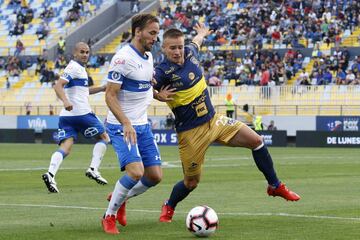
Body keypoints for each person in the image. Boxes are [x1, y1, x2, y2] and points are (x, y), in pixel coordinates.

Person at [153, 25, 301, 223]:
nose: (178, 51)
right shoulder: (161, 72)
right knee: (191, 182)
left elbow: (196, 42)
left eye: (180, 46)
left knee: (256, 141)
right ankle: (169, 205)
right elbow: (141, 87)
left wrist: (202, 33)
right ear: (163, 48)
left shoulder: (190, 52)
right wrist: (157, 95)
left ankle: (275, 186)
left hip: (214, 120)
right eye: (173, 48)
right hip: (191, 132)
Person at [101, 13, 173, 235]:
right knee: (135, 172)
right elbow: (110, 95)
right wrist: (126, 123)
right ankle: (109, 216)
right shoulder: (123, 58)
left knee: (154, 176)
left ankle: (120, 198)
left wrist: (157, 95)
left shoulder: (148, 56)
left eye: (157, 34)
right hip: (121, 126)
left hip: (141, 126)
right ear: (138, 32)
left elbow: (143, 85)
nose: (155, 38)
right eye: (152, 33)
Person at [42, 42, 110, 193]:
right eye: (82, 52)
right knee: (104, 137)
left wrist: (101, 88)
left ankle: (50, 174)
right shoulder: (74, 67)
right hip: (82, 113)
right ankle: (93, 169)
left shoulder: (79, 69)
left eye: (87, 52)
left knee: (66, 146)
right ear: (75, 53)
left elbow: (83, 92)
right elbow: (58, 86)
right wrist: (66, 101)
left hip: (66, 117)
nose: (85, 55)